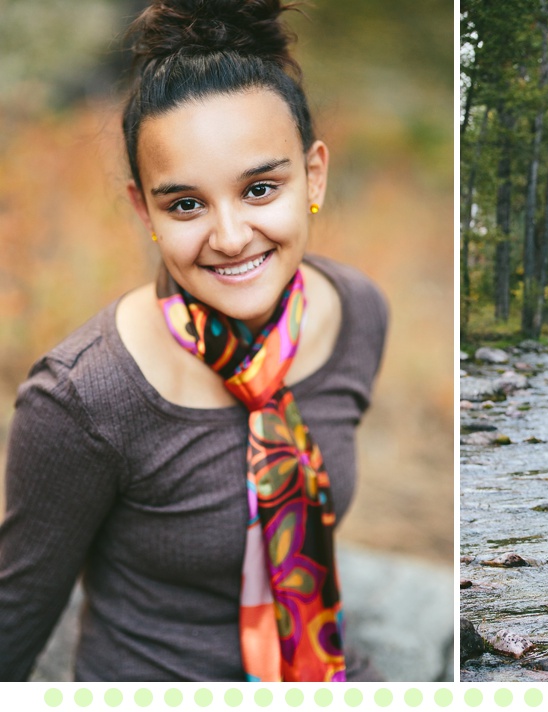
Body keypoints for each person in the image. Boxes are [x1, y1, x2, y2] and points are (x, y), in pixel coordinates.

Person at [0, 0, 387, 682]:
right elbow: (16, 614)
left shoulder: (356, 313)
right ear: (142, 209)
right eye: (185, 204)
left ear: (314, 176)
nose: (231, 236)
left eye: (260, 188)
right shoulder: (81, 398)